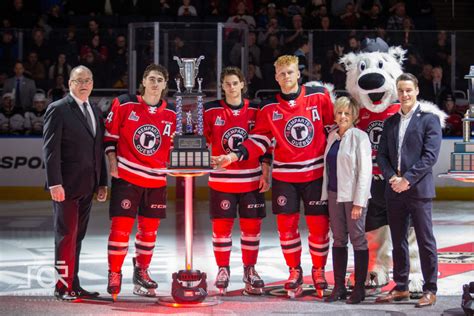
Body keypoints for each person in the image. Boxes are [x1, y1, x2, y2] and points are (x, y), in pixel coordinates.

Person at [213, 55, 334, 298]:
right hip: (285, 177)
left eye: (290, 72)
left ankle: (318, 271)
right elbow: (258, 140)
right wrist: (233, 157)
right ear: (276, 77)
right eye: (282, 73)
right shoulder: (268, 108)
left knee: (319, 228)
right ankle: (294, 271)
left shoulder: (319, 96)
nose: (286, 77)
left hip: (316, 175)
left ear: (299, 74)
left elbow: (333, 129)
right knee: (287, 228)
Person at [103, 64, 175, 300]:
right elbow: (109, 137)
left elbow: (174, 147)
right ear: (143, 81)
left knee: (149, 232)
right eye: (151, 79)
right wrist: (113, 164)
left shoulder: (172, 113)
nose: (155, 83)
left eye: (160, 80)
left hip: (156, 181)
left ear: (165, 85)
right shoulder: (124, 103)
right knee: (121, 230)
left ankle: (141, 271)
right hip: (127, 178)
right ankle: (114, 273)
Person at [376, 73, 443, 308]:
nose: (404, 94)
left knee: (425, 241)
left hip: (418, 191)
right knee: (398, 241)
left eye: (408, 90)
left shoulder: (429, 120)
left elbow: (430, 157)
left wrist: (408, 179)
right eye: (401, 90)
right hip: (394, 190)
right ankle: (401, 286)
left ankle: (430, 289)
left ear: (416, 91)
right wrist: (392, 177)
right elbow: (381, 155)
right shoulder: (390, 122)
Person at [204, 67, 271, 295]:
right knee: (221, 229)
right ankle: (223, 269)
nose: (231, 87)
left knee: (251, 229)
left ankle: (249, 269)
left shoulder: (255, 109)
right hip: (222, 182)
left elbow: (264, 143)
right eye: (227, 84)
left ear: (242, 84)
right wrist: (205, 155)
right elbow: (200, 139)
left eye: (235, 83)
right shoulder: (210, 110)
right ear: (222, 87)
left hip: (251, 180)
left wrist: (266, 171)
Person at [43, 65, 108, 301]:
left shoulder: (94, 109)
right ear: (70, 83)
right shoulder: (58, 109)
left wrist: (102, 182)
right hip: (66, 187)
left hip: (88, 186)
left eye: (88, 80)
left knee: (77, 236)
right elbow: (50, 150)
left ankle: (74, 283)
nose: (84, 85)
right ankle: (62, 287)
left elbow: (97, 148)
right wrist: (54, 183)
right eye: (79, 80)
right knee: (66, 236)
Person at [321, 97, 372, 304]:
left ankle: (359, 288)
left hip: (353, 197)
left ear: (354, 116)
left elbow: (365, 172)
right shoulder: (332, 136)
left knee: (358, 240)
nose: (342, 117)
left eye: (347, 114)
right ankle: (339, 286)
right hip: (334, 195)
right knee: (339, 239)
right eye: (340, 113)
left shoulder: (360, 137)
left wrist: (359, 202)